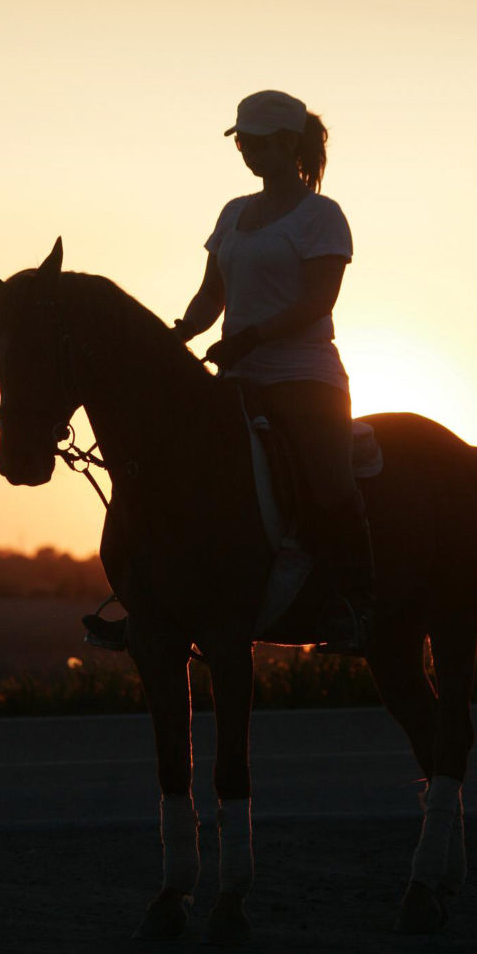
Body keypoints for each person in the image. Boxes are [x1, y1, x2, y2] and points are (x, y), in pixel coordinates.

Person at [172, 90, 374, 655]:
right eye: (242, 142)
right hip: (238, 374)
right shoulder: (233, 212)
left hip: (305, 377)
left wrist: (250, 339)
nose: (248, 152)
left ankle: (358, 603)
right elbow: (212, 292)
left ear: (288, 143)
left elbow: (317, 301)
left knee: (330, 487)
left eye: (258, 142)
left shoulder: (322, 216)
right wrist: (181, 333)